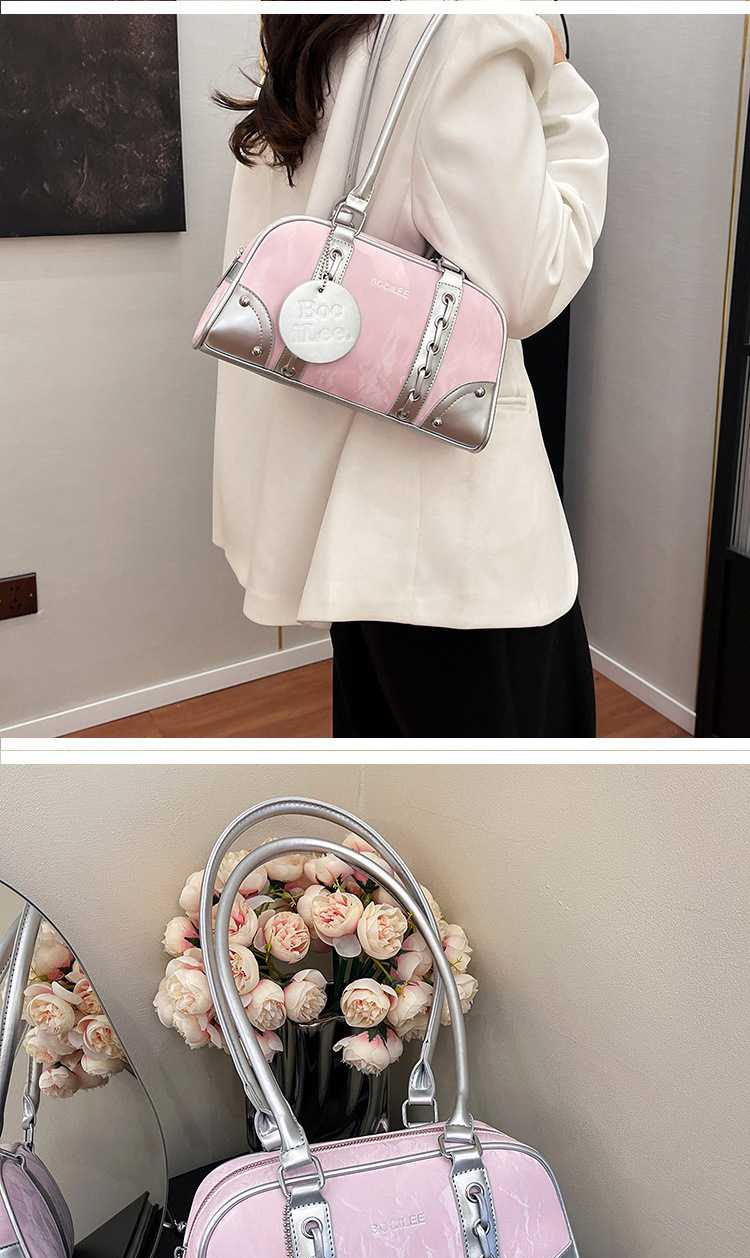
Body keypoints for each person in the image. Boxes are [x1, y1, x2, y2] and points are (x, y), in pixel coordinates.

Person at [209, 10, 609, 738]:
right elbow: (533, 281)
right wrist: (558, 78)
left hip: (347, 518)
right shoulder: (469, 26)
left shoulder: (319, 24)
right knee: (507, 786)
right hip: (452, 544)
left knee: (389, 770)